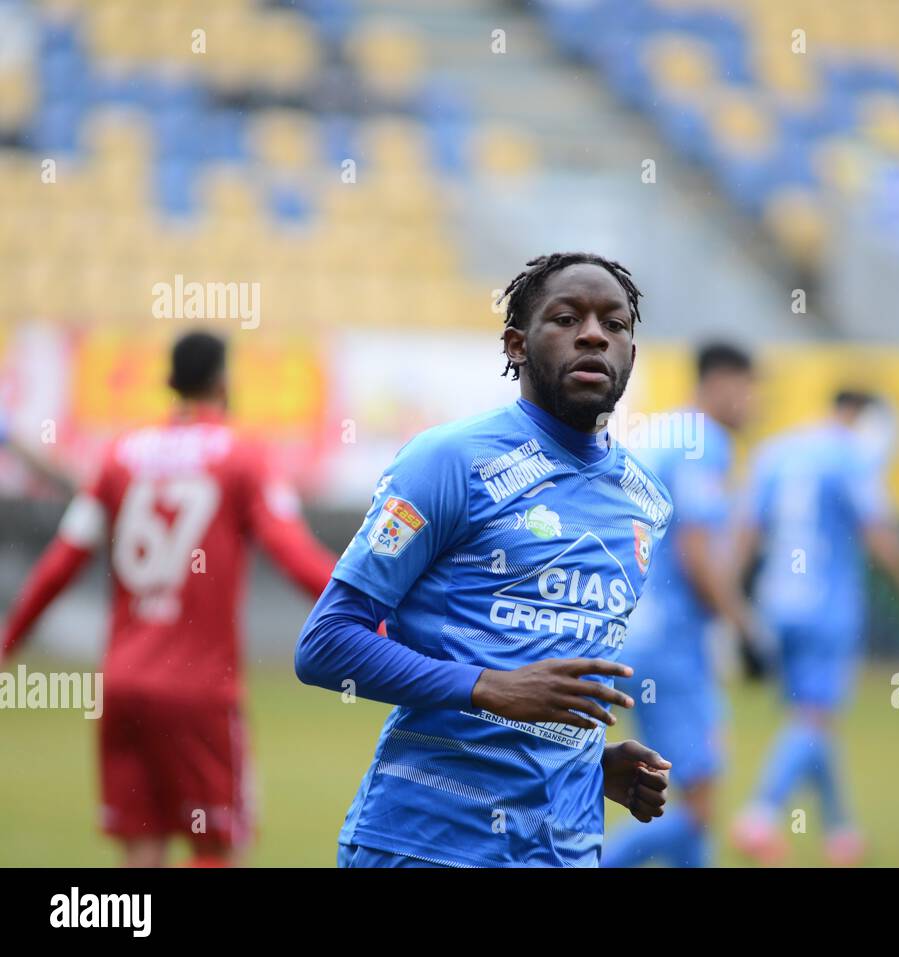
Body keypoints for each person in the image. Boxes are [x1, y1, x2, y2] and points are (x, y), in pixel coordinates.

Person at [296, 253, 674, 868]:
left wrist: (590, 761)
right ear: (516, 345)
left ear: (631, 351)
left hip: (565, 850)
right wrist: (488, 688)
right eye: (566, 317)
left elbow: (535, 675)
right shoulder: (448, 461)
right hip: (427, 845)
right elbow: (327, 644)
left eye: (615, 323)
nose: (593, 334)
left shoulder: (645, 501)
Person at [1, 331, 338, 866]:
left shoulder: (119, 456)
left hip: (122, 684)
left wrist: (9, 639)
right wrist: (377, 619)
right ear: (224, 381)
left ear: (169, 384)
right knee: (215, 847)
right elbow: (295, 558)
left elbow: (61, 562)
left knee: (141, 848)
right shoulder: (241, 456)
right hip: (199, 691)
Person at [728, 389, 899, 865]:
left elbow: (747, 532)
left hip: (777, 602)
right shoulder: (851, 457)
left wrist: (732, 603)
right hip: (825, 607)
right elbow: (879, 532)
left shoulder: (777, 451)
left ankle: (841, 832)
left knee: (811, 721)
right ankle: (759, 815)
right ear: (859, 416)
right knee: (813, 718)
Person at [602, 341, 759, 867]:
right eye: (749, 390)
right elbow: (695, 550)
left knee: (670, 788)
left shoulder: (658, 432)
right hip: (667, 641)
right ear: (721, 383)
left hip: (623, 631)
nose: (753, 405)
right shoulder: (703, 441)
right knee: (697, 799)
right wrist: (743, 625)